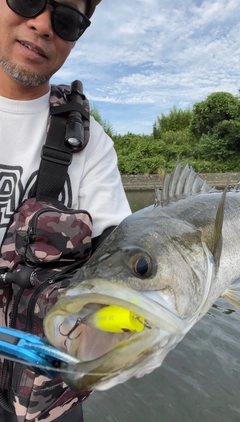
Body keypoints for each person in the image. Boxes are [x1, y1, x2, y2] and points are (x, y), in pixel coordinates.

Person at [0, 0, 132, 421]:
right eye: (26, 0)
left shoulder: (93, 147)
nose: (41, 24)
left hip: (42, 399)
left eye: (66, 19)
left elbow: (125, 262)